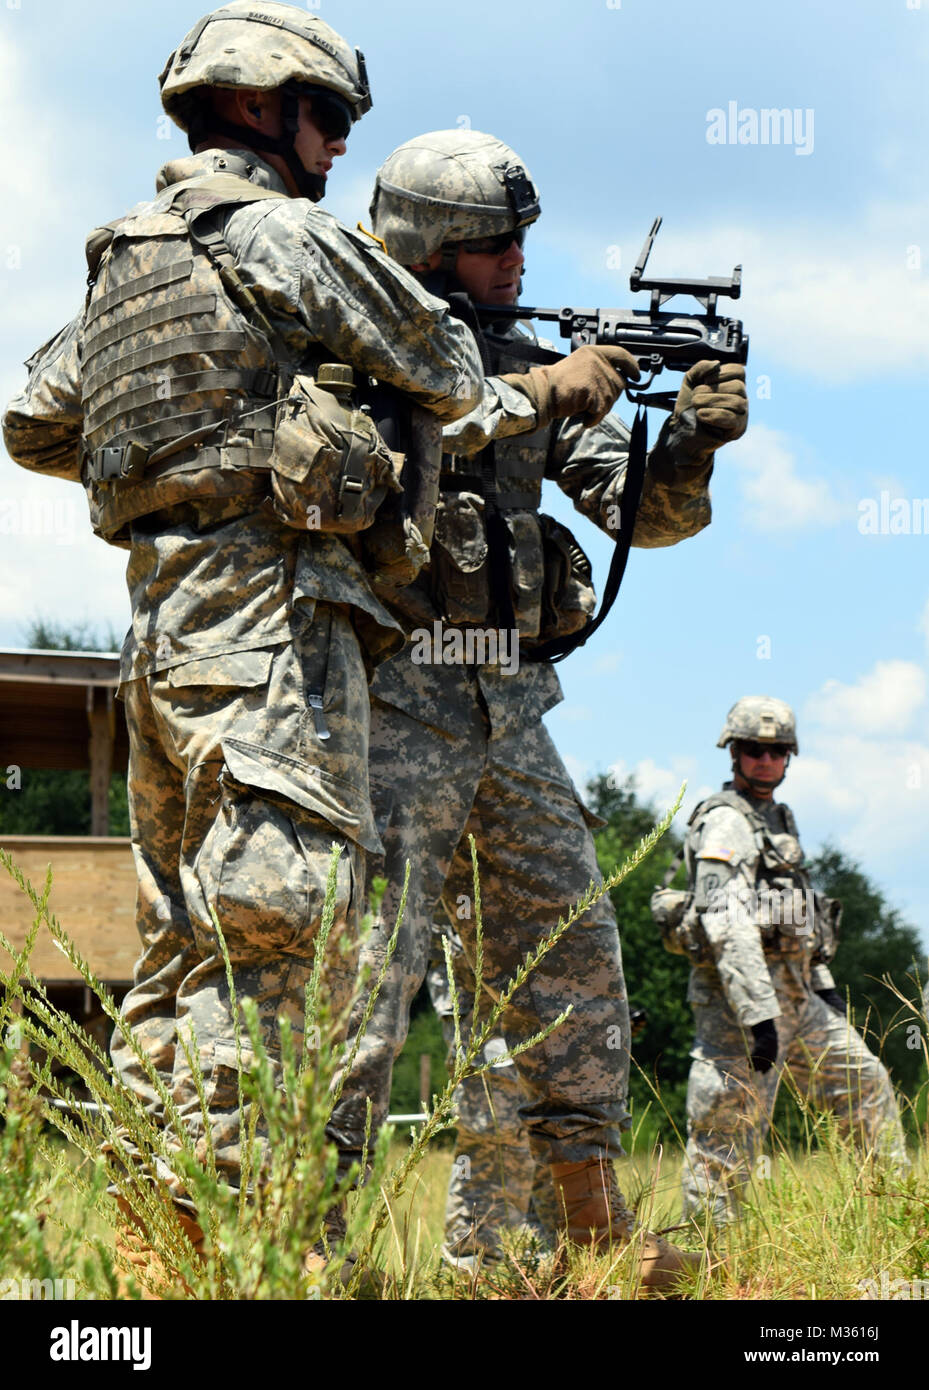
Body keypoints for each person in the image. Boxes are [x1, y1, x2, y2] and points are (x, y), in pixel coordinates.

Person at [2, 3, 486, 1267]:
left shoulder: (128, 253)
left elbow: (36, 419)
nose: (335, 151)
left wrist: (198, 456)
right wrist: (302, 434)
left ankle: (152, 1259)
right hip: (275, 634)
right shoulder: (279, 234)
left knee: (175, 958)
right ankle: (236, 1262)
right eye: (326, 118)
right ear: (263, 106)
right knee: (278, 948)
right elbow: (445, 362)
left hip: (159, 641)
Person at [326, 129, 748, 1287]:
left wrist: (689, 443)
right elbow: (366, 454)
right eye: (488, 242)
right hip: (386, 701)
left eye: (520, 239)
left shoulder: (525, 350)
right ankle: (309, 1241)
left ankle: (584, 1220)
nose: (517, 259)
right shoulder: (350, 346)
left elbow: (641, 517)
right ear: (426, 246)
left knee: (569, 954)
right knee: (368, 977)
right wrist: (525, 391)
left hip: (505, 706)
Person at [676, 696, 908, 1222]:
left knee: (865, 1086)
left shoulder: (779, 819)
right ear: (733, 752)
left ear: (790, 757)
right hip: (741, 1009)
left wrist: (822, 986)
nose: (766, 759)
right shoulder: (726, 823)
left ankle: (896, 1218)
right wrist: (759, 1018)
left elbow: (801, 915)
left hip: (799, 998)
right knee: (728, 1133)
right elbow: (726, 923)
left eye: (777, 750)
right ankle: (708, 1265)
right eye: (754, 749)